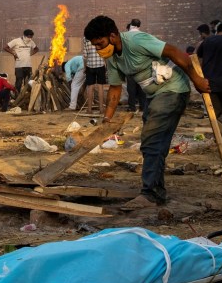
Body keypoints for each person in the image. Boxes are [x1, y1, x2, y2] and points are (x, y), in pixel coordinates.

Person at [83, 15, 210, 210]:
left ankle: (151, 194)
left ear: (112, 35)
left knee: (151, 139)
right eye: (95, 46)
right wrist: (107, 119)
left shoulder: (136, 40)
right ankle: (155, 192)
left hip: (172, 90)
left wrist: (196, 80)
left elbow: (175, 52)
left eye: (100, 44)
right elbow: (115, 89)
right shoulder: (113, 59)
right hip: (154, 96)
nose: (99, 49)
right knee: (155, 144)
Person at [4, 29, 38, 94]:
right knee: (19, 82)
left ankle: (27, 96)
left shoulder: (31, 42)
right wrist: (14, 53)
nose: (30, 38)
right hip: (19, 66)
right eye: (29, 37)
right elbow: (6, 47)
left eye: (31, 37)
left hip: (28, 65)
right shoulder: (16, 41)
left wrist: (31, 54)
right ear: (25, 36)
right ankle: (17, 96)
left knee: (28, 82)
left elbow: (36, 49)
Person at [125, 19, 149, 114]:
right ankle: (143, 106)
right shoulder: (143, 36)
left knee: (131, 88)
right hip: (141, 66)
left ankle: (132, 107)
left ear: (131, 25)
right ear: (139, 26)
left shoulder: (126, 37)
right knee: (141, 88)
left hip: (130, 66)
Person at [81, 37, 107, 113]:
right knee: (100, 87)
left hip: (90, 66)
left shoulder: (86, 38)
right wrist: (106, 65)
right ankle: (101, 109)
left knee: (90, 87)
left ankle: (89, 109)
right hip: (100, 65)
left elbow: (85, 56)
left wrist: (85, 67)